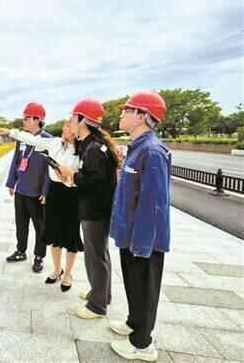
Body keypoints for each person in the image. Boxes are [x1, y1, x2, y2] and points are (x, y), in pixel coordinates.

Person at [108, 92, 171, 362]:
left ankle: (143, 345)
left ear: (143, 116)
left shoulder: (152, 152)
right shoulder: (137, 147)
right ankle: (134, 323)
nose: (121, 114)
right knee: (134, 285)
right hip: (130, 234)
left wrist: (142, 244)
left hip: (143, 239)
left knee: (144, 289)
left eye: (127, 110)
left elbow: (153, 204)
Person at [0, 120, 81, 290]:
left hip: (71, 193)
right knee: (54, 234)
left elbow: (83, 176)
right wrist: (10, 132)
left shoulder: (82, 150)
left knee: (70, 236)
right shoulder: (54, 143)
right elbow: (31, 141)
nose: (64, 129)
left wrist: (66, 180)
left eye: (68, 127)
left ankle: (67, 274)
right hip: (54, 191)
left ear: (77, 130)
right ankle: (57, 270)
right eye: (64, 126)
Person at [56, 98, 120, 319]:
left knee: (95, 257)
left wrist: (72, 175)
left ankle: (97, 306)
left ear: (82, 120)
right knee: (99, 254)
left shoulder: (93, 148)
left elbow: (94, 183)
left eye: (73, 118)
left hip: (95, 212)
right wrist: (71, 177)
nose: (70, 122)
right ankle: (101, 294)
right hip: (95, 210)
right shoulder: (91, 144)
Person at [4, 102, 52, 273]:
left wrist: (46, 190)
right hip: (21, 189)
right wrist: (11, 182)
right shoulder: (22, 138)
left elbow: (51, 168)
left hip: (37, 192)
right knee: (21, 223)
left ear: (37, 120)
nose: (23, 121)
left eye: (26, 118)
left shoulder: (47, 140)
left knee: (40, 226)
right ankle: (20, 251)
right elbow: (16, 160)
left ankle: (39, 256)